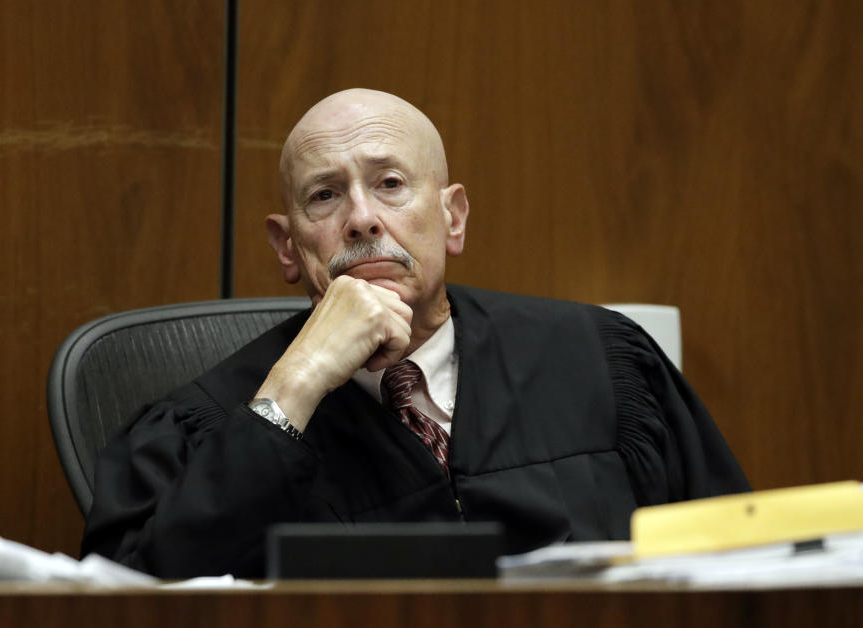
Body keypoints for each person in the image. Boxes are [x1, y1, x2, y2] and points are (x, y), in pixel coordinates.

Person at [82, 89, 749, 578]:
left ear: (452, 218)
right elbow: (132, 597)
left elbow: (737, 560)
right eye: (324, 196)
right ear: (287, 248)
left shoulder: (598, 361)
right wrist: (294, 386)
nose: (362, 218)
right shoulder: (208, 421)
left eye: (391, 183)